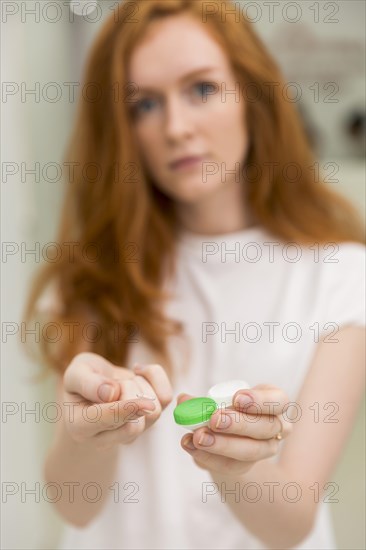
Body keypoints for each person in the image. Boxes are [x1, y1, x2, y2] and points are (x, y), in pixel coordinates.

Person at [23, 1, 365, 549]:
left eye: (201, 89)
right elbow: (74, 506)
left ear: (252, 95)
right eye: (144, 105)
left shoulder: (341, 275)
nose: (176, 128)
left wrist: (238, 469)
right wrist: (86, 431)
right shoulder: (96, 269)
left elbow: (292, 521)